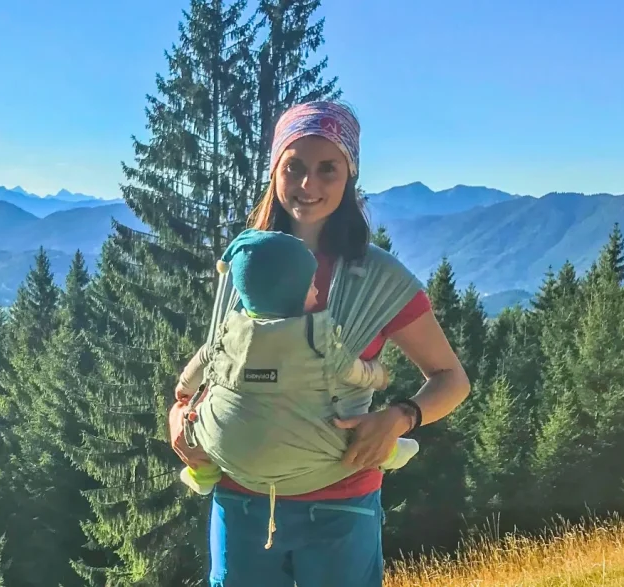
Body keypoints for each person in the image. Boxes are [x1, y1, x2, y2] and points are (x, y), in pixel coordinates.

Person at [167, 100, 470, 586]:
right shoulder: (245, 264)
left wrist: (399, 418)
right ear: (275, 172)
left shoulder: (380, 280)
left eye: (327, 168)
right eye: (295, 167)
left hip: (340, 499)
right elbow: (219, 360)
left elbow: (452, 379)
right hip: (238, 495)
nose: (309, 185)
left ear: (350, 175)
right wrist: (180, 414)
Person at [174, 227, 420, 496]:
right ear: (293, 293)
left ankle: (203, 474)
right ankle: (392, 452)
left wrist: (184, 389)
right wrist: (379, 375)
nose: (317, 291)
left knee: (202, 429)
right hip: (322, 463)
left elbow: (204, 359)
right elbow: (351, 370)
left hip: (231, 456)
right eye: (311, 285)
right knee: (355, 433)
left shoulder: (230, 330)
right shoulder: (316, 336)